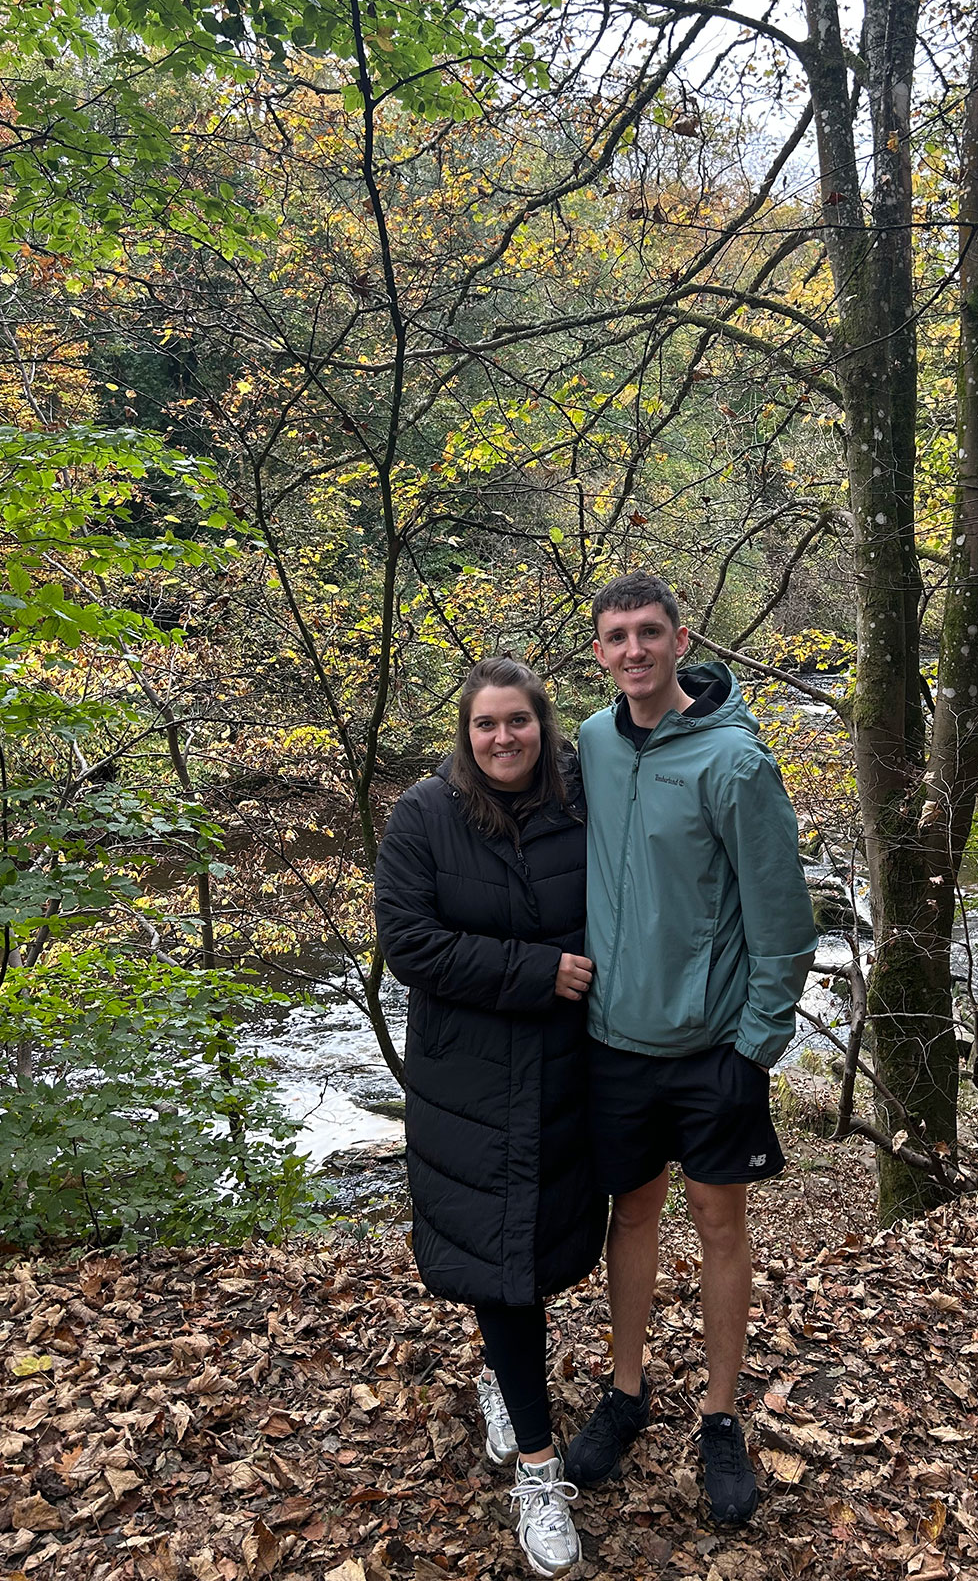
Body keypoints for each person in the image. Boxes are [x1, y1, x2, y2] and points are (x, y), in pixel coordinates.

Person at [565, 572, 817, 1526]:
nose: (633, 650)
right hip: (614, 1041)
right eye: (616, 637)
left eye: (649, 634)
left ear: (680, 640)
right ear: (600, 651)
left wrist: (754, 1046)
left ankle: (719, 1417)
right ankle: (625, 1393)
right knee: (631, 1219)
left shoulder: (736, 764)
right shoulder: (590, 742)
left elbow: (783, 919)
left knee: (720, 1226)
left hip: (714, 1046)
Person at [374, 656, 607, 1579]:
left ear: (544, 729)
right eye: (486, 725)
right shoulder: (422, 817)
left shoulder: (582, 804)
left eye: (519, 722)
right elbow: (411, 945)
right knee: (503, 1258)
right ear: (465, 735)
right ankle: (540, 1474)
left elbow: (660, 735)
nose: (504, 737)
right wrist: (537, 972)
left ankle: (502, 1382)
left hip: (564, 1073)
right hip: (465, 1082)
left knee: (536, 1253)